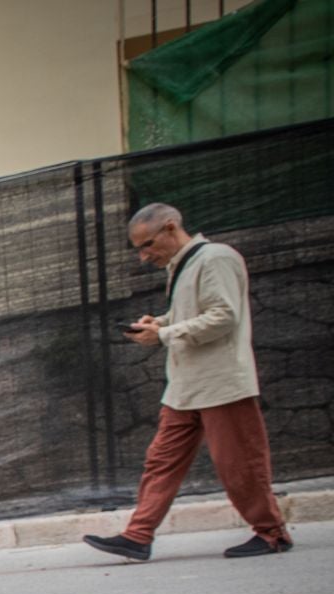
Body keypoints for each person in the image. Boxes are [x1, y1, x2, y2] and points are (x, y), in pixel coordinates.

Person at [83, 203, 292, 562]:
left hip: (222, 383)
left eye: (147, 245)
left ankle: (272, 533)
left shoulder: (215, 259)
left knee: (239, 463)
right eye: (139, 249)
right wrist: (160, 323)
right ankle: (138, 535)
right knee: (160, 461)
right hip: (185, 386)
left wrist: (165, 335)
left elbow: (224, 317)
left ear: (170, 227)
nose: (145, 256)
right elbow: (196, 313)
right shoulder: (186, 264)